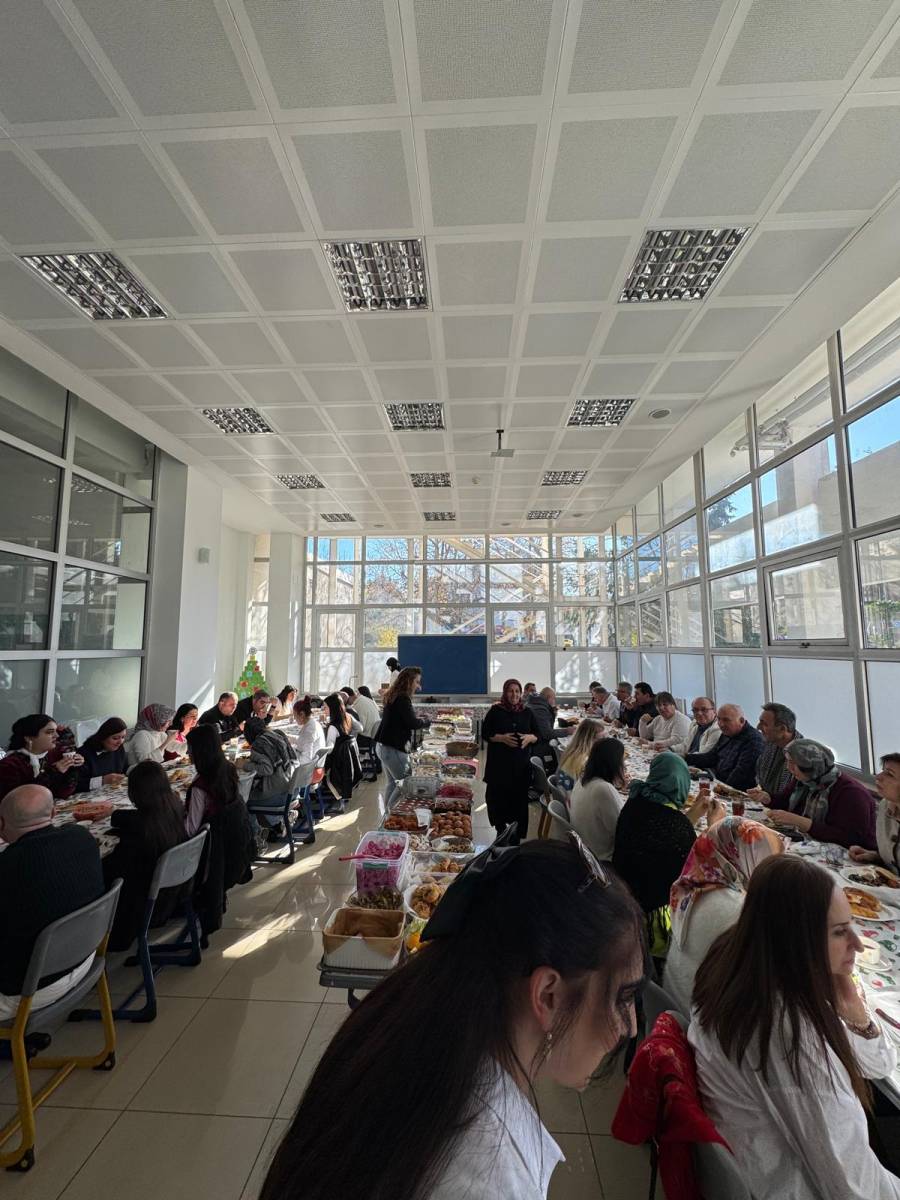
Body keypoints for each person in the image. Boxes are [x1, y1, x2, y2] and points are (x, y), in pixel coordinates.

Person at [260, 836, 646, 1200]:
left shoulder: (414, 1011)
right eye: (623, 998)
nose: (630, 1026)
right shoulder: (490, 1178)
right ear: (548, 994)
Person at [689, 855, 900, 1200]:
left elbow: (877, 1065)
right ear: (795, 941)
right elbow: (852, 1187)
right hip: (787, 1184)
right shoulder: (788, 1032)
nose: (858, 944)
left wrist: (853, 1007)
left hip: (766, 1163)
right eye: (839, 932)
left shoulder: (742, 961)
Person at [0, 785, 103, 1020]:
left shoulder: (7, 868)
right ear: (54, 813)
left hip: (27, 990)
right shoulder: (83, 838)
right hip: (86, 959)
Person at [663, 816, 785, 1015]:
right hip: (696, 1017)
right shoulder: (736, 910)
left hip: (674, 997)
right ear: (747, 859)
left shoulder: (695, 884)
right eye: (769, 863)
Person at [613, 752, 724, 958]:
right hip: (657, 919)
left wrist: (693, 813)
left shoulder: (635, 801)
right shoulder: (677, 827)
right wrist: (714, 827)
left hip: (624, 897)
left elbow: (663, 835)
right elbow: (703, 872)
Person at [101, 761, 189, 952]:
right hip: (175, 891)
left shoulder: (143, 830)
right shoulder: (172, 807)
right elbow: (130, 819)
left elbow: (114, 870)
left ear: (135, 793)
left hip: (146, 903)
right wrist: (114, 815)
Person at [183, 724, 254, 939]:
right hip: (230, 846)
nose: (188, 753)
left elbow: (190, 830)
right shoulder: (227, 770)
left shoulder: (200, 787)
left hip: (209, 853)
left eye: (190, 749)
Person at [763, 738, 877, 849]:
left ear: (810, 765)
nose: (789, 768)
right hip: (809, 843)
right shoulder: (805, 781)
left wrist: (803, 823)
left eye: (793, 763)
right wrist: (767, 798)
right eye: (787, 762)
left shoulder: (852, 793)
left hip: (850, 855)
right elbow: (784, 801)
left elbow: (850, 838)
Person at [481, 679, 540, 843]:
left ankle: (515, 836)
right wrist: (501, 738)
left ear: (521, 694)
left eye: (517, 691)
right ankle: (500, 830)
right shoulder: (495, 711)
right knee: (496, 798)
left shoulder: (528, 712)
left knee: (518, 802)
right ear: (505, 693)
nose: (514, 694)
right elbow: (485, 733)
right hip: (498, 766)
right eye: (510, 691)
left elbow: (539, 735)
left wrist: (530, 737)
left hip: (520, 767)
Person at [374, 667, 429, 806]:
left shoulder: (394, 695)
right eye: (417, 682)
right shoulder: (403, 698)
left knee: (393, 783)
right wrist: (426, 721)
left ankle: (387, 814)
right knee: (405, 783)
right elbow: (412, 723)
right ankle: (390, 813)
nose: (419, 686)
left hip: (383, 746)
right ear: (408, 681)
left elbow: (403, 718)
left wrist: (417, 719)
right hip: (393, 748)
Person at [569, 738, 627, 863]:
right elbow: (622, 831)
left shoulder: (583, 780)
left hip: (586, 847)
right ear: (613, 763)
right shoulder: (603, 789)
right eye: (622, 761)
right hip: (602, 857)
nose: (624, 765)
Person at [0, 714, 82, 801]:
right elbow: (18, 800)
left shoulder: (52, 756)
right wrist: (54, 772)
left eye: (56, 731)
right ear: (29, 738)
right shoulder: (10, 765)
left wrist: (73, 766)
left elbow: (63, 793)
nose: (57, 736)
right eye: (50, 732)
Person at [685, 704, 763, 791]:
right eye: (719, 719)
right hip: (719, 783)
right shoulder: (727, 733)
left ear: (741, 721)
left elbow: (740, 776)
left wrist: (718, 790)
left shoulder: (753, 740)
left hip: (737, 791)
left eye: (726, 720)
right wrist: (684, 758)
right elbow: (711, 757)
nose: (721, 724)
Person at [850, 754, 900, 872]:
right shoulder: (885, 805)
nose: (878, 776)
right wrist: (874, 856)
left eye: (889, 774)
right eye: (882, 771)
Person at [244, 715, 299, 821]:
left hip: (280, 794)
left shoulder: (258, 744)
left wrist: (245, 765)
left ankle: (258, 830)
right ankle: (279, 822)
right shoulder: (278, 734)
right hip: (293, 790)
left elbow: (267, 769)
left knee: (244, 801)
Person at [749, 702, 802, 801]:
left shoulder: (802, 755)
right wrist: (758, 790)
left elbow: (792, 799)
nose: (758, 727)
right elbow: (759, 775)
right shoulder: (770, 743)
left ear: (782, 729)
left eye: (764, 724)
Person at [321, 692, 362, 811]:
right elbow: (359, 728)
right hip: (344, 761)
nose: (324, 709)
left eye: (325, 707)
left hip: (336, 763)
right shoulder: (347, 718)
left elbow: (329, 750)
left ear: (332, 708)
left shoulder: (333, 727)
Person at [75, 716, 128, 792]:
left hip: (111, 793)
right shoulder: (84, 753)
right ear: (103, 737)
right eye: (115, 738)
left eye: (123, 737)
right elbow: (76, 785)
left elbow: (124, 769)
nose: (120, 742)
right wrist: (103, 780)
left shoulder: (119, 749)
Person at [525, 686, 572, 768]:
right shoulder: (540, 709)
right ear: (548, 697)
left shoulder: (537, 703)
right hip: (539, 745)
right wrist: (568, 731)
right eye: (554, 698)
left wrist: (551, 712)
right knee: (565, 748)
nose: (554, 701)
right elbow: (547, 733)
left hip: (536, 742)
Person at [124, 704, 181, 768]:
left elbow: (173, 747)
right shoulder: (141, 735)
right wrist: (167, 741)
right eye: (168, 721)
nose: (171, 724)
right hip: (138, 772)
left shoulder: (159, 733)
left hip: (152, 770)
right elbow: (146, 762)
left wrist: (179, 737)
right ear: (157, 720)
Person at [556, 719, 604, 793]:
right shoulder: (584, 761)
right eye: (600, 739)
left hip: (564, 794)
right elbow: (590, 789)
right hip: (572, 797)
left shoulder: (572, 751)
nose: (603, 743)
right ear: (588, 739)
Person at [291, 695, 326, 763]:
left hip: (310, 766)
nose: (294, 718)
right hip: (315, 761)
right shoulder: (313, 723)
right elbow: (304, 741)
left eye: (295, 715)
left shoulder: (309, 730)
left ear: (302, 714)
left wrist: (291, 758)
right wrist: (289, 738)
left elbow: (306, 760)